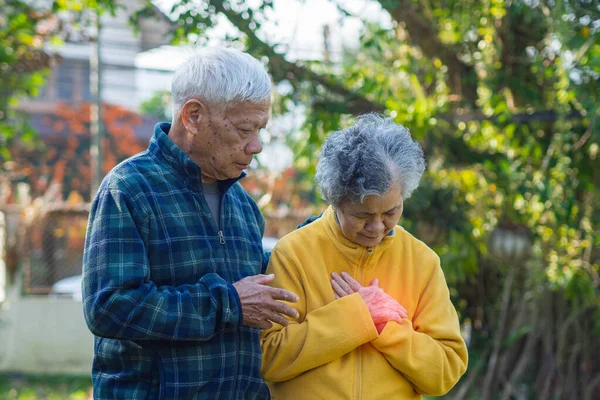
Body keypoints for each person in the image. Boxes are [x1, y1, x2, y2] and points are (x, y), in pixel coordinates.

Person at [82, 47, 299, 400]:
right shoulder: (129, 189)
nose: (257, 145)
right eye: (245, 128)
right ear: (194, 116)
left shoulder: (244, 206)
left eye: (260, 129)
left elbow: (259, 304)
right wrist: (228, 303)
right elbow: (109, 307)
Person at [261, 114, 468, 399]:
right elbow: (268, 358)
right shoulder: (293, 253)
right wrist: (356, 316)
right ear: (336, 201)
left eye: (391, 212)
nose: (377, 227)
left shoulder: (422, 261)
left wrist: (385, 326)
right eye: (363, 215)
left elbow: (445, 371)